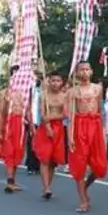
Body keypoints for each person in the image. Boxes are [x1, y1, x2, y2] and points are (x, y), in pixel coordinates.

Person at [66, 61, 107, 213]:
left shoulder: (98, 89)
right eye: (81, 70)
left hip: (95, 126)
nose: (84, 72)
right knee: (79, 164)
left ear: (91, 71)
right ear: (76, 73)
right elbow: (70, 115)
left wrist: (103, 131)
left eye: (87, 69)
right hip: (80, 127)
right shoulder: (72, 92)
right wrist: (70, 137)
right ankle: (83, 199)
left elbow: (102, 110)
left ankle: (86, 186)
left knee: (99, 166)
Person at [31, 71, 67, 200]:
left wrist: (51, 118)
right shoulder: (44, 96)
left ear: (62, 82)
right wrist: (47, 127)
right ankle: (46, 188)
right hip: (45, 128)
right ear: (49, 82)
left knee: (53, 161)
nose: (55, 83)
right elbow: (42, 113)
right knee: (45, 158)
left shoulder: (65, 96)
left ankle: (48, 186)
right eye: (53, 81)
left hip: (59, 128)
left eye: (58, 81)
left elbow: (65, 114)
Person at [0, 66, 29, 193]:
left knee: (18, 152)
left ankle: (13, 179)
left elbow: (28, 111)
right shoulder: (5, 93)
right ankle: (10, 180)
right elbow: (1, 113)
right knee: (9, 152)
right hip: (8, 124)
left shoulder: (26, 93)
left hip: (21, 125)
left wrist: (31, 126)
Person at [24, 77, 42, 174]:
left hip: (41, 122)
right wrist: (30, 121)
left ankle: (38, 165)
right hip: (32, 121)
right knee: (31, 144)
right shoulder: (31, 92)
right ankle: (31, 166)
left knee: (40, 145)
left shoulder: (43, 92)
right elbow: (28, 107)